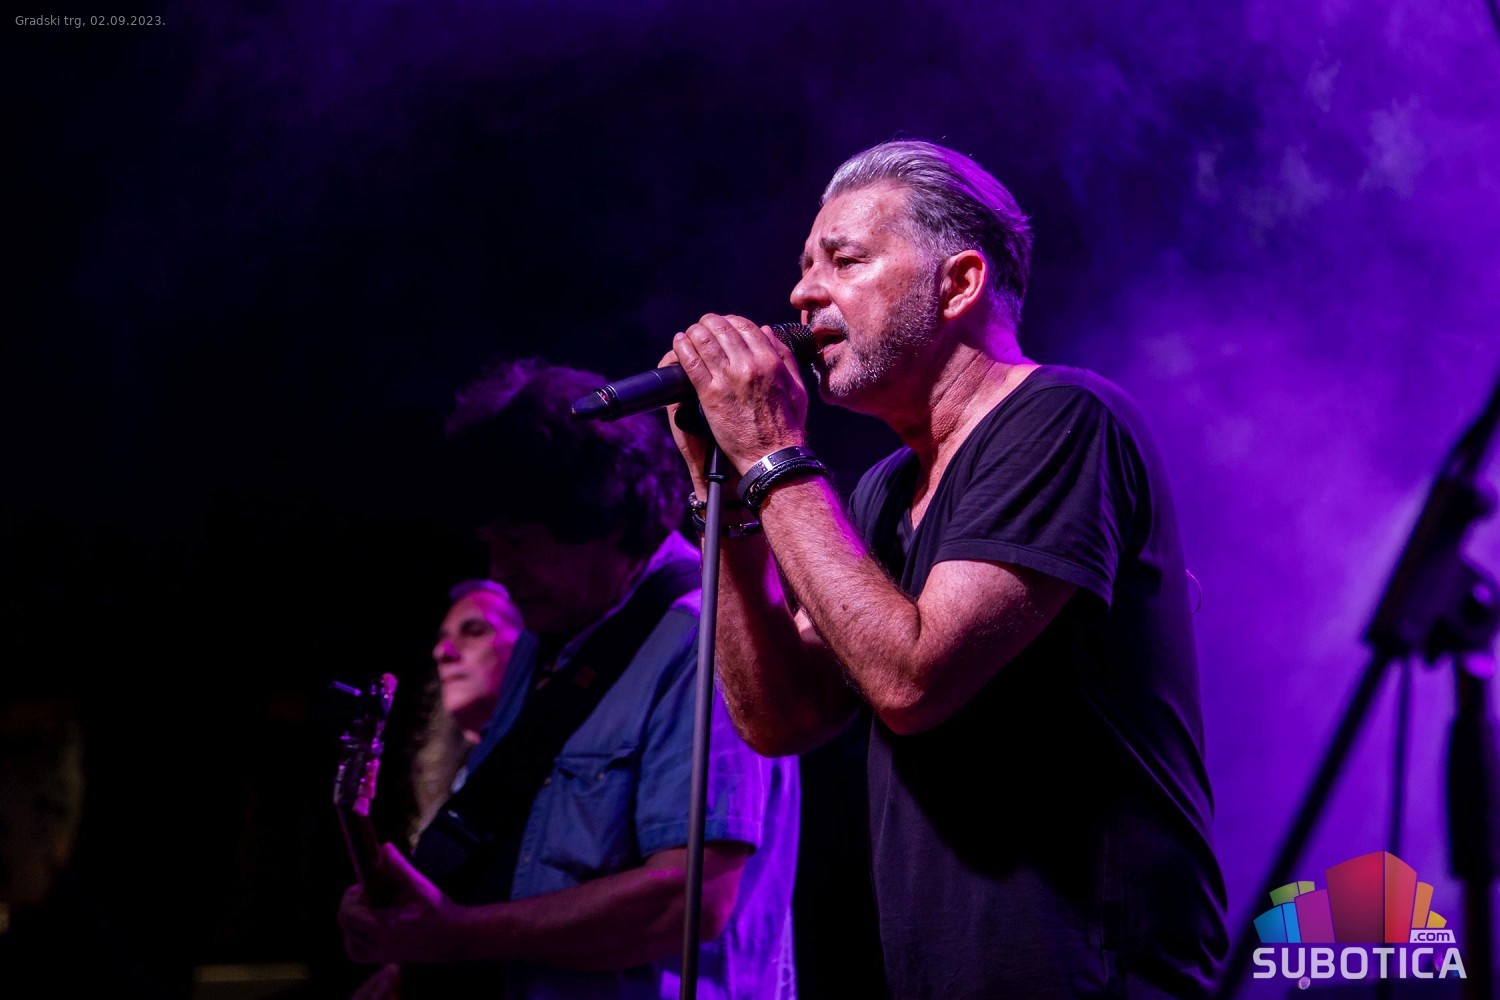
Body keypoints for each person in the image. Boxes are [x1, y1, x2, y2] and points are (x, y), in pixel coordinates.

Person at [662, 139, 1228, 998]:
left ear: (958, 285)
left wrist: (772, 451)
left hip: (1093, 977)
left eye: (844, 260)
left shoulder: (1063, 419)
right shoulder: (884, 492)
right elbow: (784, 718)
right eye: (805, 266)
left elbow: (911, 680)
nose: (802, 293)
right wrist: (733, 502)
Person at [337, 358, 800, 1000]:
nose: (500, 572)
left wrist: (455, 936)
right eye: (491, 545)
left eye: (521, 545)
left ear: (608, 524)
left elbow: (691, 901)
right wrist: (410, 967)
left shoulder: (704, 638)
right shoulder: (548, 633)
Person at [410, 579, 527, 841]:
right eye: (443, 638)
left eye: (474, 631)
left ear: (526, 649)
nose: (442, 651)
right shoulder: (451, 777)